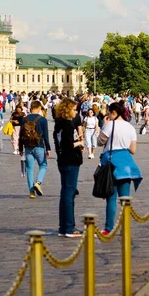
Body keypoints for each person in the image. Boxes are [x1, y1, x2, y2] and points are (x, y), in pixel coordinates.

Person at [98, 102, 142, 236]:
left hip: (112, 165)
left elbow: (99, 142)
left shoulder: (110, 125)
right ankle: (125, 227)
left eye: (109, 113)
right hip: (126, 165)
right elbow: (133, 150)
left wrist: (104, 126)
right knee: (125, 199)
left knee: (111, 199)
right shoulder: (130, 127)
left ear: (113, 113)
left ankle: (108, 228)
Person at [53, 98, 84, 238]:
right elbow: (68, 144)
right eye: (74, 109)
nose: (76, 112)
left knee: (64, 192)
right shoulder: (67, 125)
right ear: (67, 110)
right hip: (70, 160)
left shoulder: (58, 124)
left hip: (62, 160)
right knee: (69, 194)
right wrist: (80, 143)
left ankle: (63, 226)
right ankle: (70, 228)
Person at [19, 100, 51, 198]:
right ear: (38, 108)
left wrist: (20, 148)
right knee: (43, 165)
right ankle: (38, 182)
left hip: (28, 147)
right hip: (39, 146)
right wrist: (48, 148)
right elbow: (45, 135)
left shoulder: (24, 119)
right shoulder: (43, 120)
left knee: (29, 169)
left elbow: (21, 135)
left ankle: (31, 192)